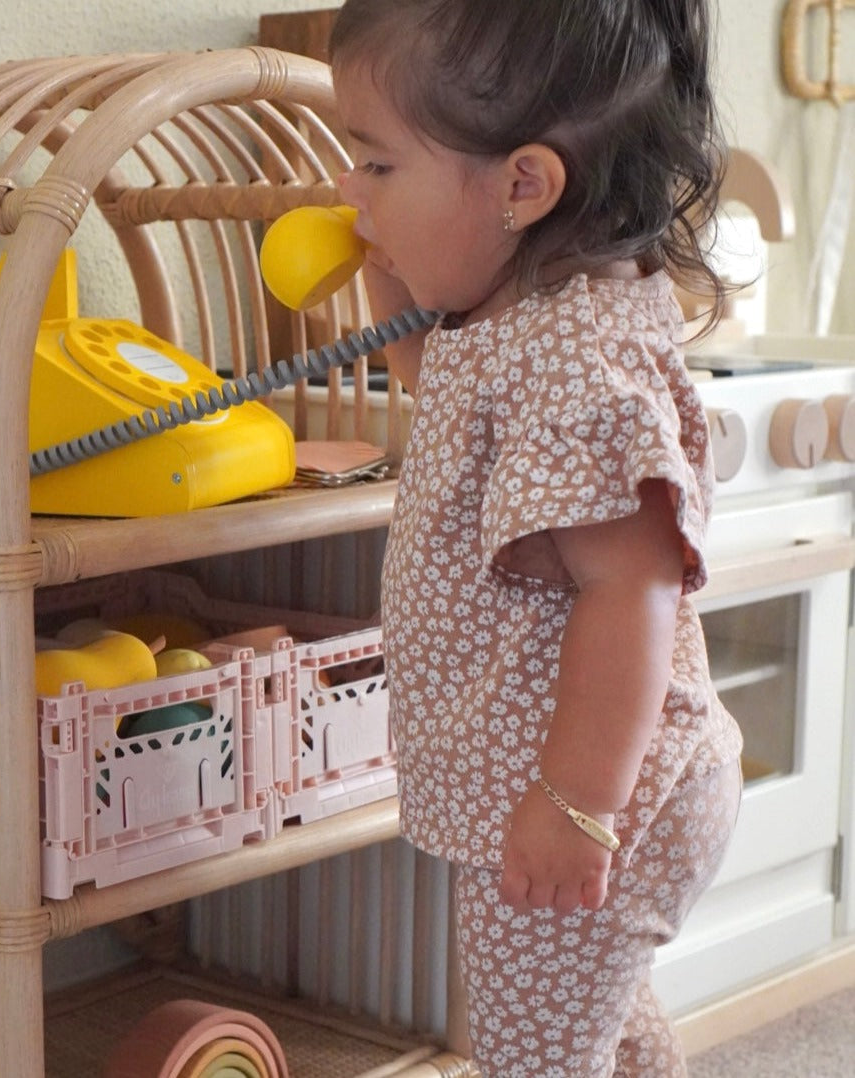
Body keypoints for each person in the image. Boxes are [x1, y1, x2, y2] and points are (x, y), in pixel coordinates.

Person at [327, 2, 745, 1075]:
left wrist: (575, 805)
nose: (347, 191)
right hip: (581, 788)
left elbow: (630, 591)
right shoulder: (523, 323)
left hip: (594, 792)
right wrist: (383, 261)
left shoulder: (574, 370)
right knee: (595, 1023)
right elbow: (443, 390)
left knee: (531, 1059)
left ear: (522, 186)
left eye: (375, 167)